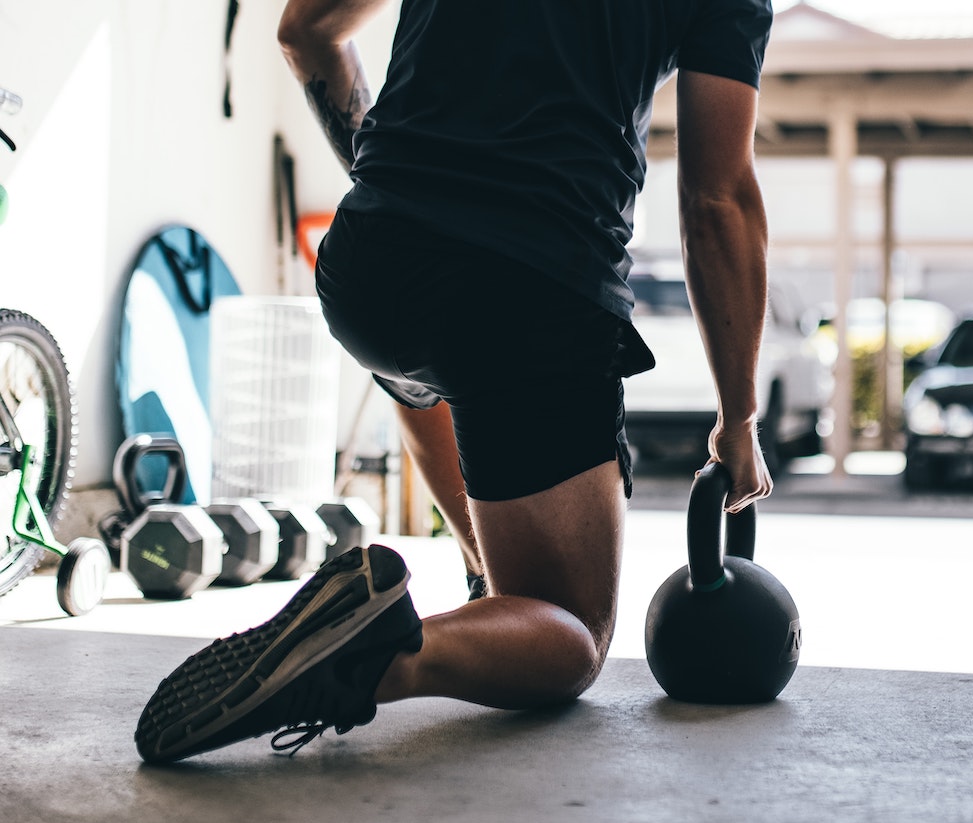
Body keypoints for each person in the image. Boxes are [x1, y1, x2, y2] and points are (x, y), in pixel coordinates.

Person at [134, 0, 774, 764]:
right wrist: (738, 420)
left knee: (432, 366)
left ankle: (484, 579)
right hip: (533, 288)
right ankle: (381, 651)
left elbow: (304, 29)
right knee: (572, 633)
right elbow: (717, 199)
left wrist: (398, 188)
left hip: (371, 268)